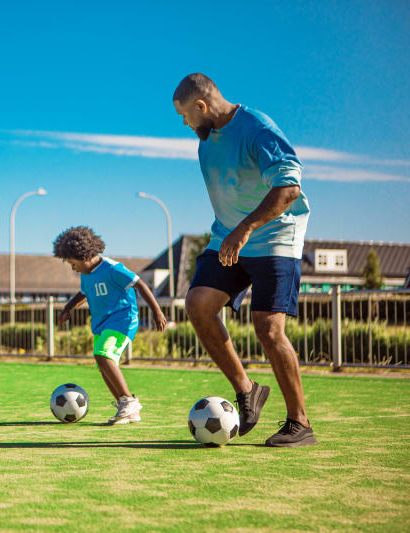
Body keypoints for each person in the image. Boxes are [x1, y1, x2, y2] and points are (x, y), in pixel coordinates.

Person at [173, 73, 317, 447]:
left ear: (202, 107)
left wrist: (245, 229)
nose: (185, 124)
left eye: (186, 115)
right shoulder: (206, 144)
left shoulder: (257, 128)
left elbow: (289, 188)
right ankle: (247, 389)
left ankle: (299, 424)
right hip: (227, 236)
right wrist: (231, 232)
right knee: (198, 304)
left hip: (275, 238)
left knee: (268, 328)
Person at [54, 226, 168, 425]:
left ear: (84, 256)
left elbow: (139, 283)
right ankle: (128, 410)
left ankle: (129, 401)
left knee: (103, 354)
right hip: (101, 323)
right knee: (102, 364)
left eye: (73, 263)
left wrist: (157, 311)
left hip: (123, 319)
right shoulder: (86, 275)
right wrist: (68, 308)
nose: (72, 268)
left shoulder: (112, 268)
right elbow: (83, 294)